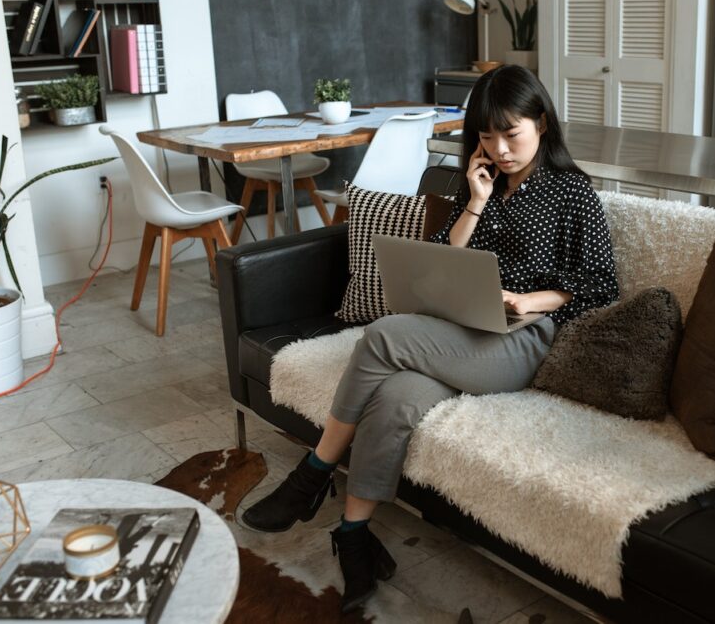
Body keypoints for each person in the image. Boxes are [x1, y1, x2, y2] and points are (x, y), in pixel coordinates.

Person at [241, 64, 619, 613]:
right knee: (394, 398)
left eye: (511, 134)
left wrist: (527, 301)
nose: (500, 148)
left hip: (520, 341)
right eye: (487, 138)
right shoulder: (487, 186)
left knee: (385, 334)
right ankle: (353, 538)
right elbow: (444, 255)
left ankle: (312, 475)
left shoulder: (572, 192)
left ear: (541, 122)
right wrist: (476, 199)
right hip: (462, 330)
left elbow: (599, 285)